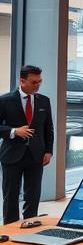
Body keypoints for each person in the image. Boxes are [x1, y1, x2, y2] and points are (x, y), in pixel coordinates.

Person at [0, 65, 54, 225]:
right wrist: (14, 131)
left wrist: (48, 151)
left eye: (40, 82)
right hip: (12, 155)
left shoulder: (44, 100)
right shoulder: (5, 101)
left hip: (36, 155)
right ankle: (10, 229)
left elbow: (48, 128)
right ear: (22, 81)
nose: (37, 85)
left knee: (33, 195)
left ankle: (31, 227)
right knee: (11, 195)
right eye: (34, 82)